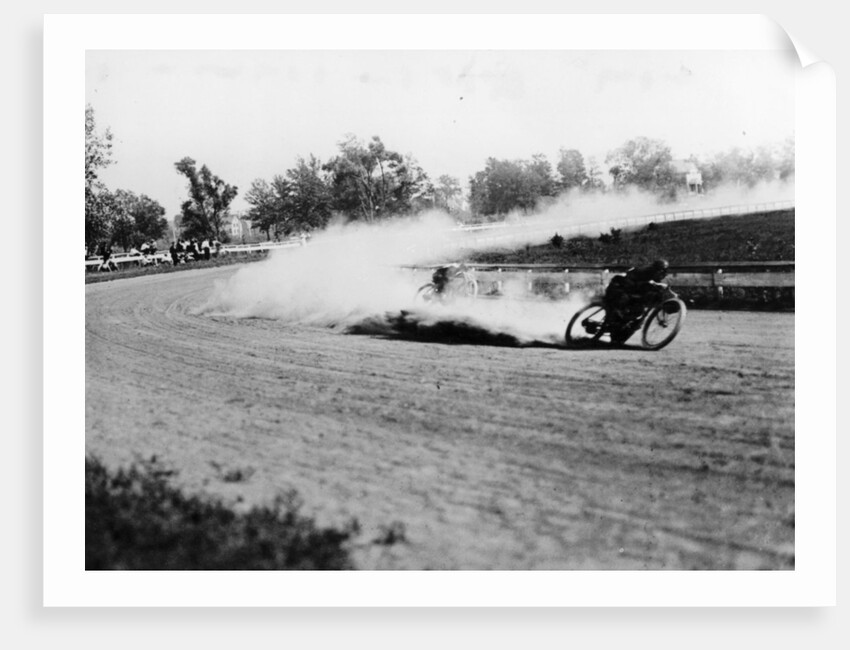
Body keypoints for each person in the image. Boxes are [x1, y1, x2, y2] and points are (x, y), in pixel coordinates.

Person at [604, 259, 670, 324]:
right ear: (655, 269)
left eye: (663, 271)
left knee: (639, 309)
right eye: (660, 270)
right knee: (625, 298)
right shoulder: (645, 271)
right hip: (626, 286)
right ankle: (619, 313)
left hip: (635, 290)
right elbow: (639, 281)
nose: (661, 273)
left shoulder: (656, 276)